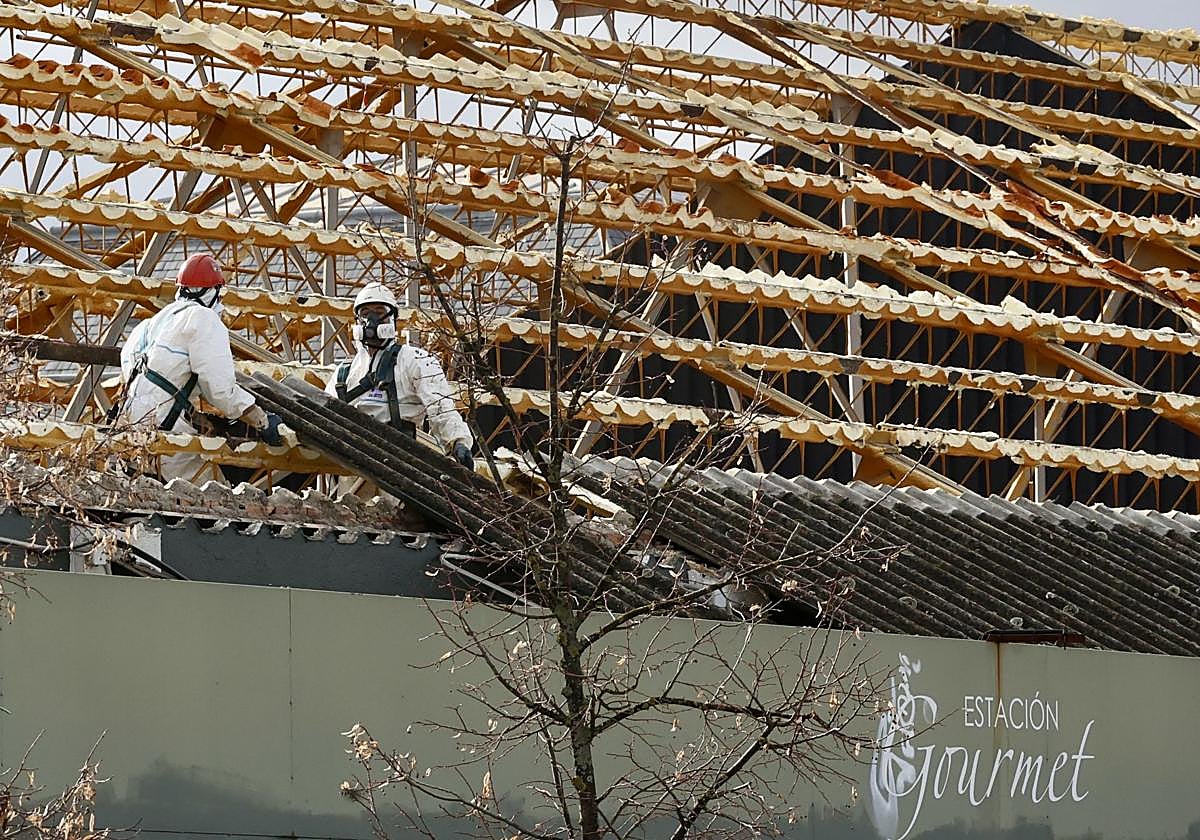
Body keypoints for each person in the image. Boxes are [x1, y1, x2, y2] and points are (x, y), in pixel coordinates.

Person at [119, 253, 284, 482]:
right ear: (213, 291)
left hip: (126, 432)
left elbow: (152, 385)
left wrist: (195, 417)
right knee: (216, 498)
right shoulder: (204, 318)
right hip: (166, 435)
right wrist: (261, 420)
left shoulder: (147, 326)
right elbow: (220, 389)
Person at [326, 282, 474, 470]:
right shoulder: (344, 372)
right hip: (352, 466)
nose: (371, 320)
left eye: (379, 312)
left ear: (392, 319)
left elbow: (441, 408)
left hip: (398, 464)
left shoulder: (415, 360)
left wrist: (457, 442)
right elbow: (320, 413)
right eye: (365, 314)